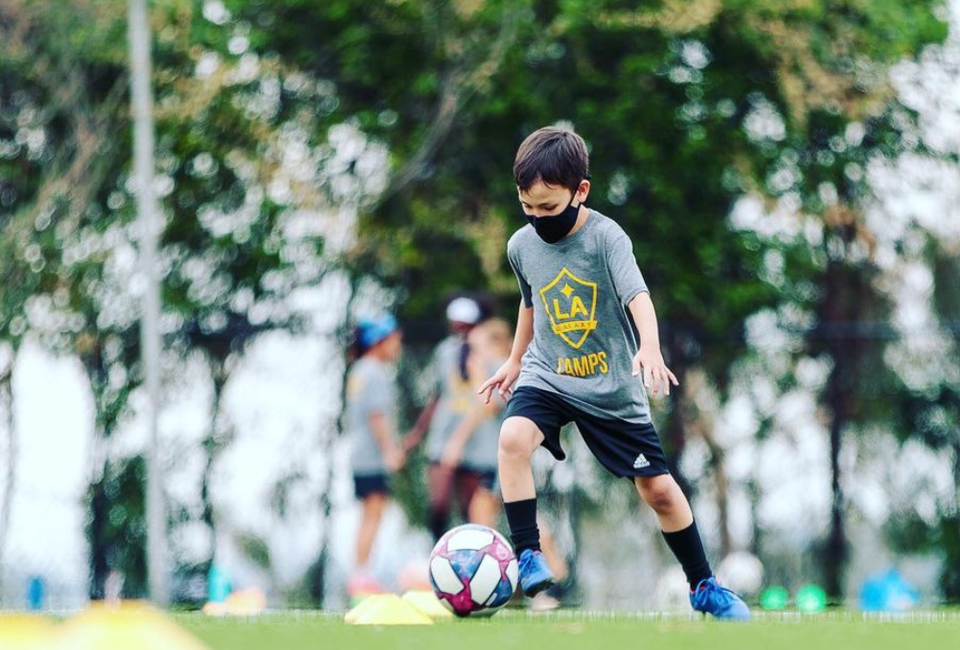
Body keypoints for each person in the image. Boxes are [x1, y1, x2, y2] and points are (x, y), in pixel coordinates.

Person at [478, 126, 750, 620]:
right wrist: (517, 360)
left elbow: (636, 296)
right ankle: (528, 553)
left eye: (548, 207)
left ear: (580, 191)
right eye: (528, 208)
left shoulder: (607, 238)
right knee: (513, 437)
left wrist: (649, 346)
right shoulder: (521, 245)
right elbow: (530, 301)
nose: (538, 219)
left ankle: (704, 585)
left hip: (609, 388)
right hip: (550, 372)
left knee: (660, 492)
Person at [345, 314, 405, 598]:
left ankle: (361, 573)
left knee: (369, 514)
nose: (397, 347)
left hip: (360, 456)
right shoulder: (375, 372)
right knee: (373, 513)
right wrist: (390, 451)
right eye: (393, 341)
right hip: (372, 457)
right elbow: (377, 416)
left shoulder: (359, 370)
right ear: (378, 342)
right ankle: (361, 576)